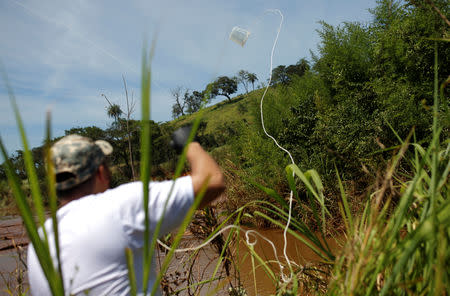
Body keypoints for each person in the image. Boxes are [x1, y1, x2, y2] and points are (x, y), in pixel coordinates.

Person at [27, 131, 225, 296]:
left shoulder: (38, 242)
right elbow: (213, 181)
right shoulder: (120, 206)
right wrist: (190, 144)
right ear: (101, 172)